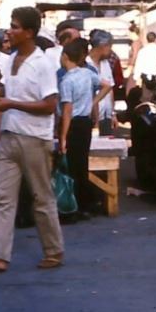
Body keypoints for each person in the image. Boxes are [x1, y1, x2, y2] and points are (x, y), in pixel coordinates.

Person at [0, 6, 64, 274]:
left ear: (29, 32)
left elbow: (49, 105)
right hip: (9, 134)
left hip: (34, 138)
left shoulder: (43, 64)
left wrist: (11, 103)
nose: (10, 30)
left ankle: (54, 251)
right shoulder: (9, 61)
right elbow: (12, 90)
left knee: (41, 197)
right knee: (3, 199)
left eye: (16, 26)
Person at [58, 39, 105, 218]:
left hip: (73, 124)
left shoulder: (66, 81)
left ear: (65, 57)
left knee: (71, 167)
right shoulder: (87, 73)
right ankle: (87, 203)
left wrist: (63, 136)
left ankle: (75, 205)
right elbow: (107, 85)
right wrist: (93, 101)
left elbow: (67, 111)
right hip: (85, 122)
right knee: (82, 164)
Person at [85, 31, 119, 135]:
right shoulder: (85, 64)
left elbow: (110, 90)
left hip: (106, 116)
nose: (111, 51)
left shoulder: (105, 63)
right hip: (91, 117)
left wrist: (113, 114)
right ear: (102, 46)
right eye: (109, 47)